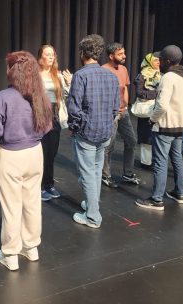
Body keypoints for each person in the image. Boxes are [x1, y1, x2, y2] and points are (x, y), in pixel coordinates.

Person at [0, 51, 52, 271]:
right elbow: (48, 126)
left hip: (11, 155)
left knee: (11, 206)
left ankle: (11, 253)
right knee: (32, 203)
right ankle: (31, 248)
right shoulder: (40, 95)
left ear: (13, 71)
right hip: (35, 153)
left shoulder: (3, 97)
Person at [68, 34, 120, 228]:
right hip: (106, 131)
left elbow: (74, 109)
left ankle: (92, 216)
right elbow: (116, 107)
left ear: (82, 53)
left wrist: (78, 126)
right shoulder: (111, 75)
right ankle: (92, 204)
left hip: (87, 133)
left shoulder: (80, 75)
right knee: (96, 171)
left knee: (89, 173)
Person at [135, 45, 183, 210]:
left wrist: (152, 119)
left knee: (160, 162)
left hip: (166, 125)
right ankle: (179, 193)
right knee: (177, 159)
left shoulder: (168, 77)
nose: (158, 62)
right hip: (180, 125)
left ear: (167, 61)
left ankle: (156, 199)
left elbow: (162, 105)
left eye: (160, 59)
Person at [37, 44, 72, 201]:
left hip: (55, 115)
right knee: (41, 154)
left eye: (53, 54)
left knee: (51, 153)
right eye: (48, 54)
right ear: (41, 57)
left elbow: (67, 96)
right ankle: (39, 187)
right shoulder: (35, 75)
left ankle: (49, 184)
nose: (51, 57)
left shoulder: (57, 75)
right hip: (39, 115)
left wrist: (69, 82)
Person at [102, 42, 140, 188]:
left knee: (131, 141)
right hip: (110, 114)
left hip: (124, 112)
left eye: (124, 53)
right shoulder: (103, 70)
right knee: (109, 146)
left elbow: (124, 89)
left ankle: (128, 174)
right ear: (111, 56)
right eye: (120, 54)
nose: (124, 56)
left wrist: (125, 105)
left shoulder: (123, 69)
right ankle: (105, 175)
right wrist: (111, 110)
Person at [133, 52, 161, 168]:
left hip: (158, 109)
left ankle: (155, 160)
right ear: (149, 61)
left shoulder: (162, 74)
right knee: (146, 137)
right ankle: (146, 162)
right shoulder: (142, 75)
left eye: (159, 60)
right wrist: (156, 94)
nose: (158, 62)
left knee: (157, 136)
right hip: (146, 110)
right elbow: (139, 93)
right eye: (155, 60)